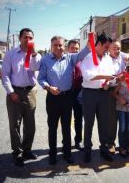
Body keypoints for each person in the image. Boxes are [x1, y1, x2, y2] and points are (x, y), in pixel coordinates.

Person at [37, 36, 90, 165]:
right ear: (51, 46)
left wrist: (90, 41)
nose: (58, 47)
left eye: (60, 45)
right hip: (52, 98)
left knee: (66, 127)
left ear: (64, 47)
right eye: (55, 45)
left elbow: (85, 51)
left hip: (67, 98)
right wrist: (49, 87)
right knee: (53, 127)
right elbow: (41, 78)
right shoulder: (45, 60)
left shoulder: (70, 58)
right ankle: (53, 154)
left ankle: (67, 154)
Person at [1, 28, 42, 167]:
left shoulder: (36, 55)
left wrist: (34, 54)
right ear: (19, 38)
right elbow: (5, 74)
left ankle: (27, 150)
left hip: (30, 91)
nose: (28, 40)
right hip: (15, 91)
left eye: (30, 37)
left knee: (30, 124)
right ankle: (17, 152)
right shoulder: (11, 54)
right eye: (25, 37)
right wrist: (11, 92)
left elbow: (36, 68)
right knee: (15, 124)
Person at [80, 32, 115, 163]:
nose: (107, 50)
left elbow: (111, 76)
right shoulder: (88, 57)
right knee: (88, 123)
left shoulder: (108, 59)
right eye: (106, 47)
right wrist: (104, 78)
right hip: (90, 93)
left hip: (104, 93)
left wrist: (110, 83)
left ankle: (104, 149)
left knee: (104, 122)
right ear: (98, 44)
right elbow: (87, 75)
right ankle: (87, 150)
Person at [107, 40, 129, 154]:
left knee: (126, 125)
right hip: (111, 89)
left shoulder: (122, 56)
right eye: (114, 48)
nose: (116, 50)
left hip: (124, 87)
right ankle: (111, 143)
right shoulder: (106, 59)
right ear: (109, 48)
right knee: (112, 120)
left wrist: (128, 57)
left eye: (118, 48)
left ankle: (126, 145)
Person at [113, 65, 129, 157]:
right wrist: (120, 99)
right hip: (121, 108)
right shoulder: (121, 83)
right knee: (122, 127)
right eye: (128, 73)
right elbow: (114, 93)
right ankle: (121, 147)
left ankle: (128, 146)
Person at [67, 39, 84, 151]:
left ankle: (78, 141)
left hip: (79, 92)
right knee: (66, 119)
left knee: (78, 119)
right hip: (66, 93)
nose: (74, 50)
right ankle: (66, 142)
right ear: (68, 49)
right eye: (72, 48)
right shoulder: (64, 60)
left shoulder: (82, 60)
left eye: (76, 49)